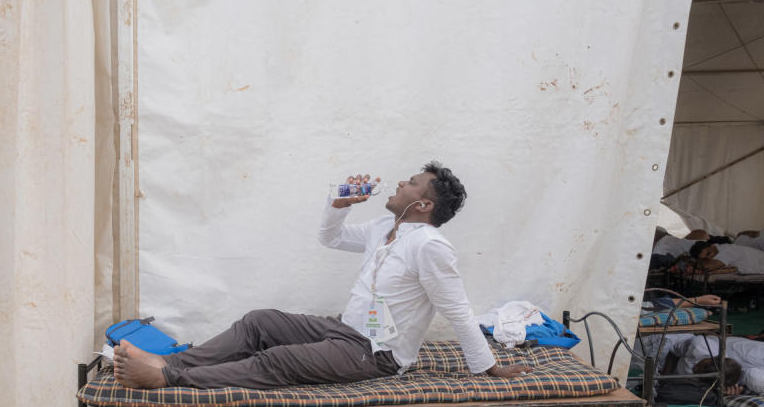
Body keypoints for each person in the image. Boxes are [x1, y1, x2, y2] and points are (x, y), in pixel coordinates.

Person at [113, 163, 532, 389]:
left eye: (412, 182)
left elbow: (457, 310)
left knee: (278, 361)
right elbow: (328, 238)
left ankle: (168, 378)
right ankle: (170, 359)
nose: (401, 182)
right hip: (346, 331)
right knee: (260, 321)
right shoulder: (381, 231)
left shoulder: (429, 245)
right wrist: (340, 203)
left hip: (377, 354)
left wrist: (487, 368)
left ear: (423, 205)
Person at [690, 240, 764, 274]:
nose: (709, 258)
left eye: (708, 253)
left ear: (712, 246)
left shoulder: (728, 251)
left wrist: (694, 264)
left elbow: (707, 267)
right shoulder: (718, 250)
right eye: (705, 259)